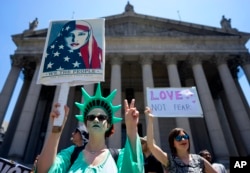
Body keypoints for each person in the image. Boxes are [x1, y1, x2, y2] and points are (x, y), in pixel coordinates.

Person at [36, 83, 144, 173]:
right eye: (91, 117)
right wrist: (56, 131)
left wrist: (131, 130)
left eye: (102, 117)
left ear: (109, 125)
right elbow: (44, 171)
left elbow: (134, 169)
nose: (96, 120)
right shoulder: (71, 154)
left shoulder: (119, 156)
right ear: (86, 123)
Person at [144, 106, 217, 173]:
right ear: (173, 143)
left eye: (185, 137)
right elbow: (151, 145)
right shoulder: (169, 160)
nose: (183, 139)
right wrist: (150, 120)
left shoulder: (199, 160)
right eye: (178, 138)